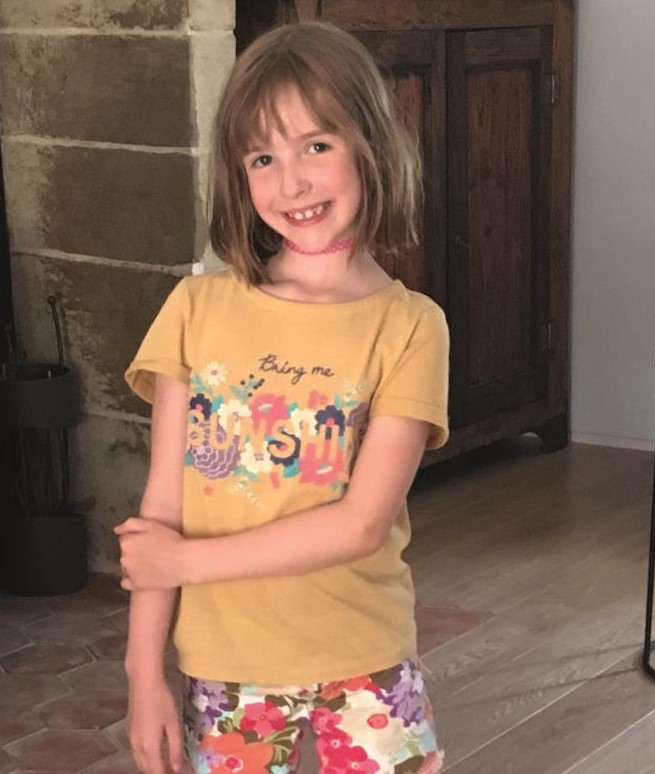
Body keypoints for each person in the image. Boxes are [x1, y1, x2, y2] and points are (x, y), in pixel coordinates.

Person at [117, 21, 449, 774]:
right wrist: (143, 675)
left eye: (316, 145)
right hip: (224, 668)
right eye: (262, 157)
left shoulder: (410, 327)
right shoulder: (195, 310)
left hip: (365, 657)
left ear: (369, 145)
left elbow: (361, 525)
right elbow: (162, 508)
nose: (290, 183)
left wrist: (182, 563)